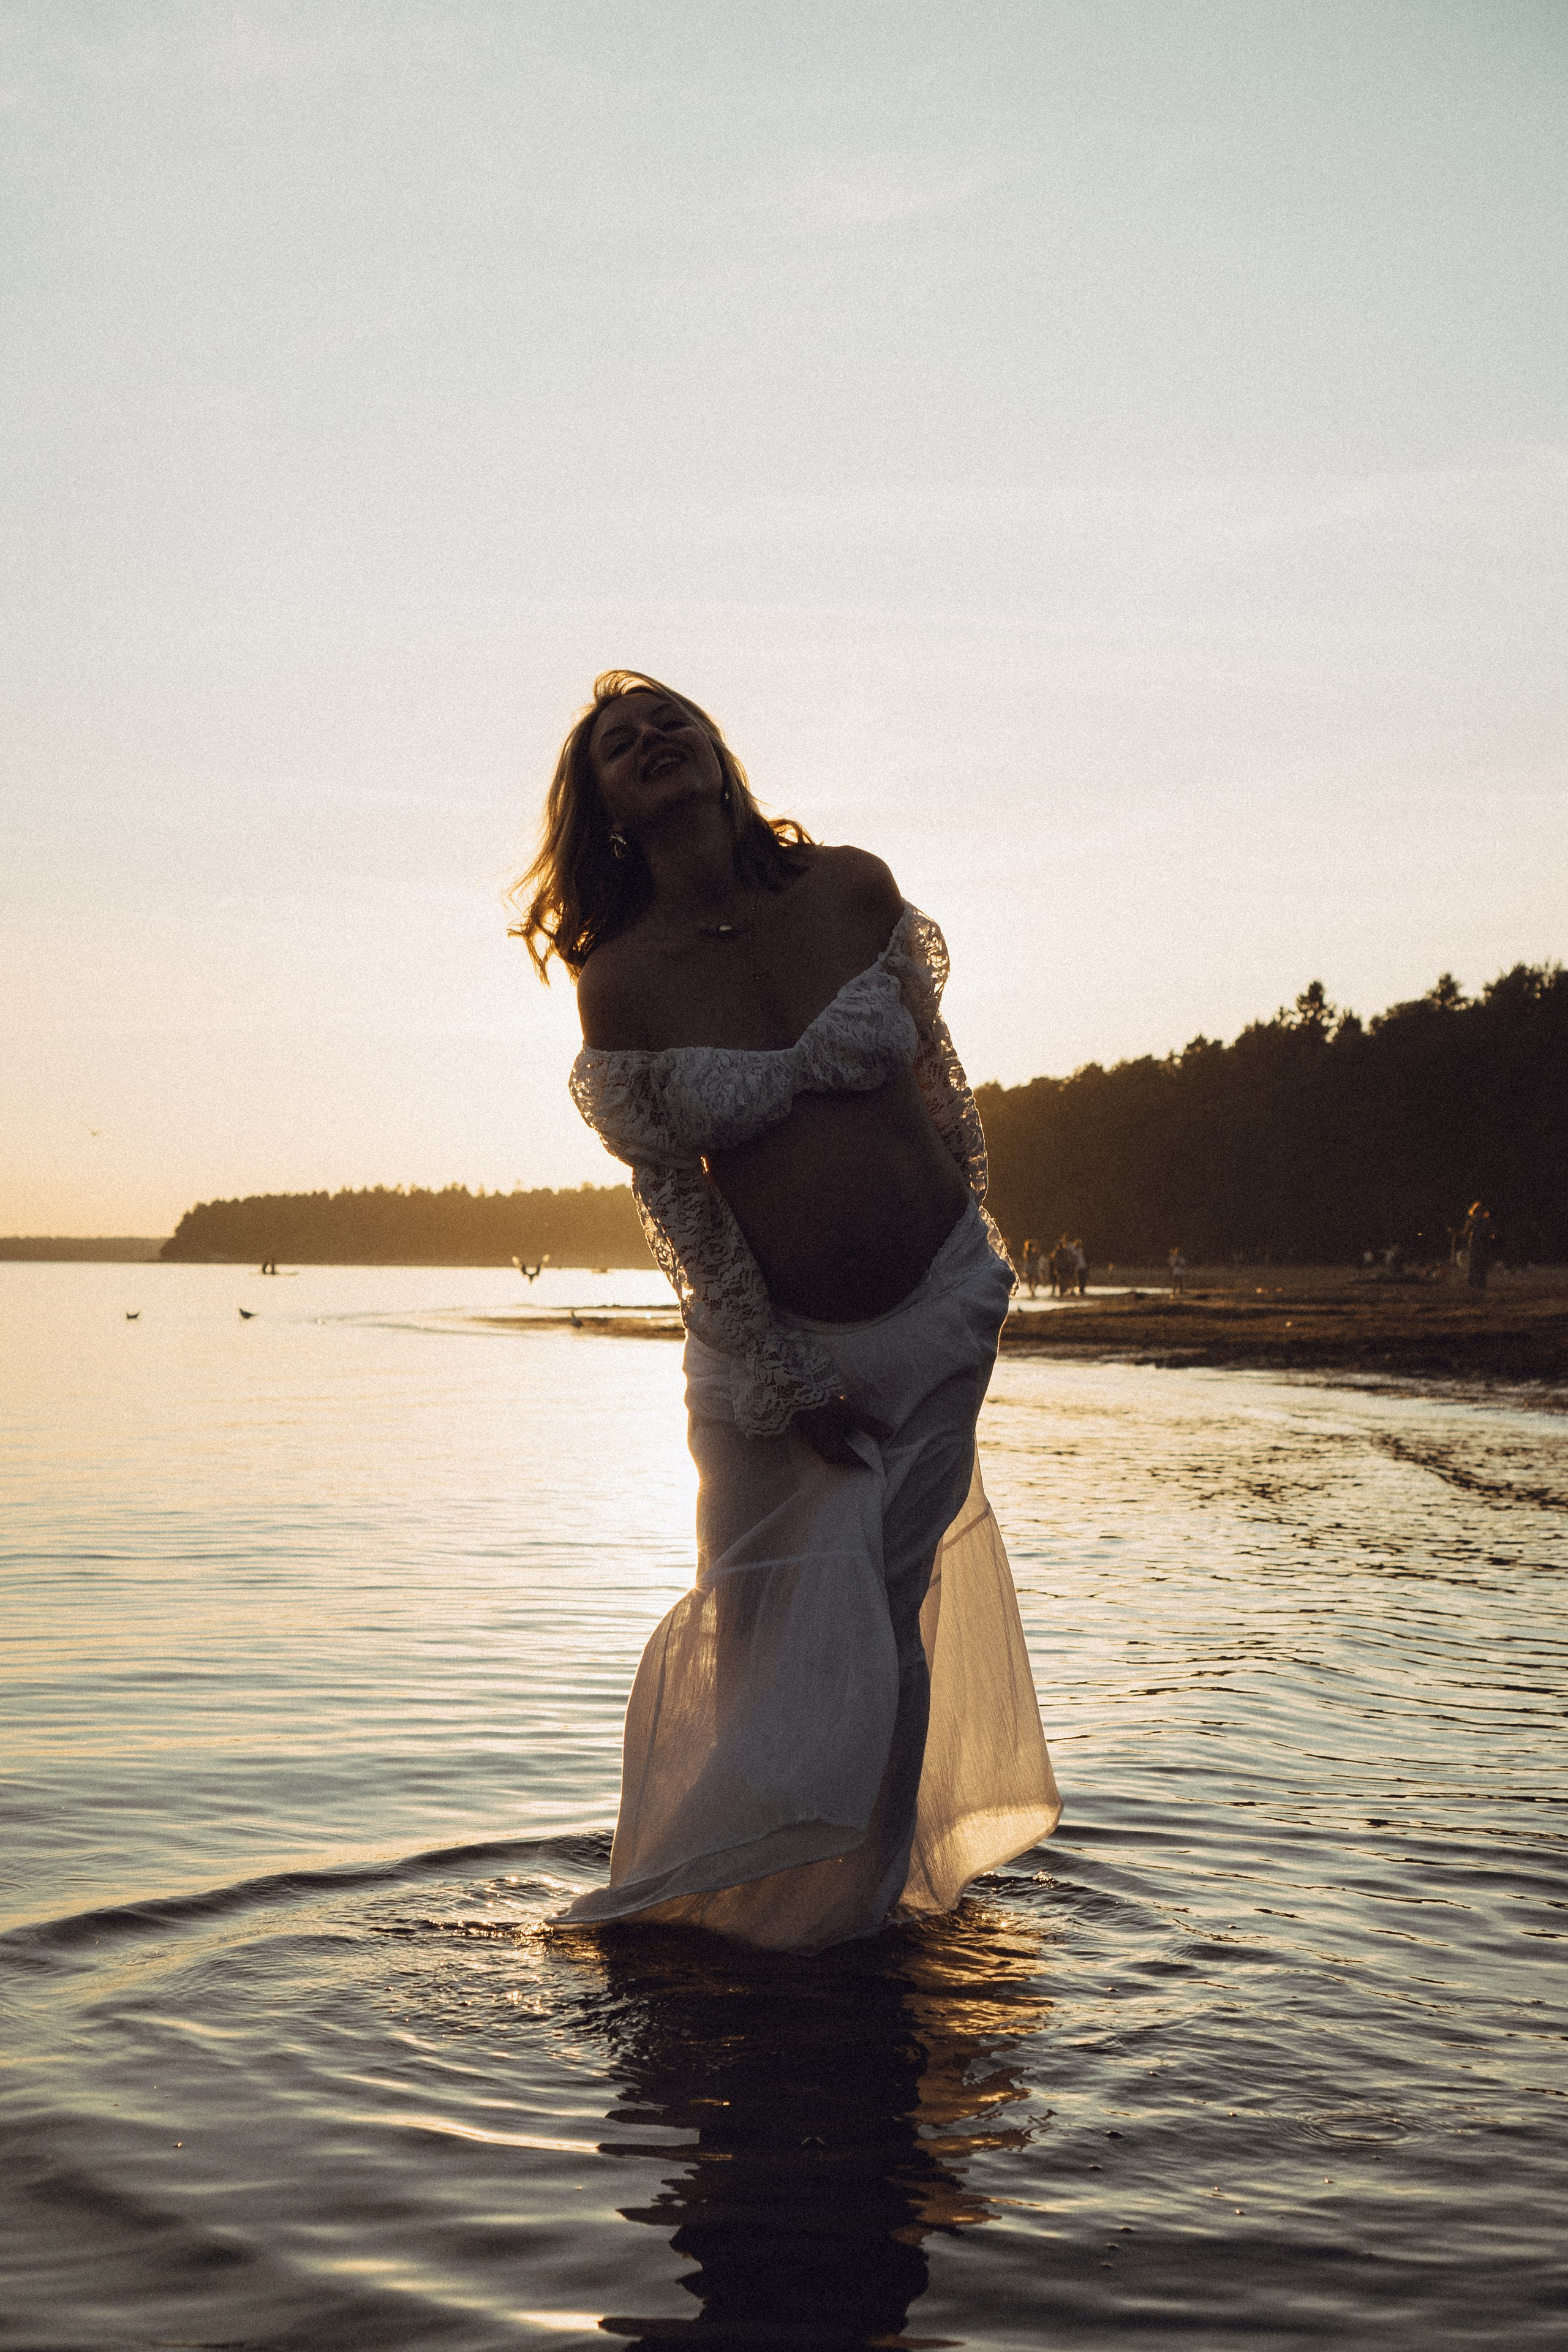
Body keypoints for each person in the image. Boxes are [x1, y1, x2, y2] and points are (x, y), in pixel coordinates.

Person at [512, 672, 1059, 1953]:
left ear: (716, 754)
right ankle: (713, 1897)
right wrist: (787, 1376)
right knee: (765, 1643)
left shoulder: (850, 890)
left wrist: (959, 1260)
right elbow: (686, 1217)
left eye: (671, 724)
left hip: (931, 1323)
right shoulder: (622, 982)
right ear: (602, 805)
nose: (651, 742)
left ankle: (849, 1925)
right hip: (766, 1363)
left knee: (883, 1625)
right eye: (617, 745)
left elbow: (942, 1097)